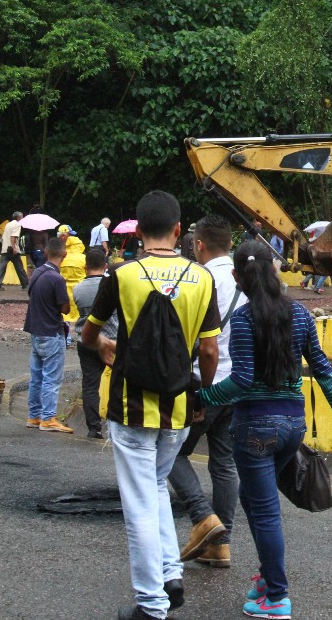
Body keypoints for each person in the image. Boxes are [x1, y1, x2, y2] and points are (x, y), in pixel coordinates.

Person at [199, 240, 332, 619]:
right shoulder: (301, 316)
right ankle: (267, 576)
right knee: (252, 501)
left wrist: (203, 397)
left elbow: (240, 381)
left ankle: (275, 596)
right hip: (292, 426)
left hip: (254, 429)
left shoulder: (241, 320)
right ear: (276, 271)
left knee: (266, 510)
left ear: (238, 277)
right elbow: (322, 367)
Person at [82, 190, 221, 620]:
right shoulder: (203, 279)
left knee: (139, 503)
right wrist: (203, 394)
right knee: (157, 486)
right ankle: (169, 573)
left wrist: (106, 346)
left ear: (138, 231)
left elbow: (89, 334)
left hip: (130, 407)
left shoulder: (121, 276)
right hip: (178, 406)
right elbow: (210, 350)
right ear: (180, 231)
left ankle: (152, 604)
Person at [169, 214, 244, 570]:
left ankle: (203, 518)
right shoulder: (247, 280)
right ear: (229, 243)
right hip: (240, 385)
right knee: (225, 463)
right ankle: (221, 545)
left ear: (198, 245)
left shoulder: (198, 279)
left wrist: (201, 393)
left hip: (204, 383)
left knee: (169, 453)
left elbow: (201, 345)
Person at [24, 237, 73, 433]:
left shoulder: (37, 272)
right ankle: (48, 418)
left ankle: (33, 416)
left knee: (36, 377)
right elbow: (65, 309)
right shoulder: (57, 279)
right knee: (52, 377)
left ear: (45, 252)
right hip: (52, 331)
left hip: (36, 330)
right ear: (64, 254)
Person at [73, 248, 117, 439]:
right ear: (105, 266)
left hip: (86, 341)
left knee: (90, 385)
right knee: (118, 383)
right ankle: (117, 426)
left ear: (85, 267)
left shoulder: (78, 289)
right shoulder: (112, 286)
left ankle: (94, 428)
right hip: (112, 341)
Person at [58, 225, 87, 345]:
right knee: (83, 314)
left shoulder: (62, 257)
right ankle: (83, 337)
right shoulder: (83, 258)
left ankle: (67, 337)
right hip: (80, 289)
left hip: (65, 288)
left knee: (66, 315)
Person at [0, 211, 29, 290]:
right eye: (22, 217)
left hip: (5, 248)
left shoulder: (8, 224)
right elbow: (13, 237)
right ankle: (25, 285)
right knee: (19, 268)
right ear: (18, 218)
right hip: (12, 250)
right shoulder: (17, 225)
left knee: (1, 267)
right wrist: (14, 248)